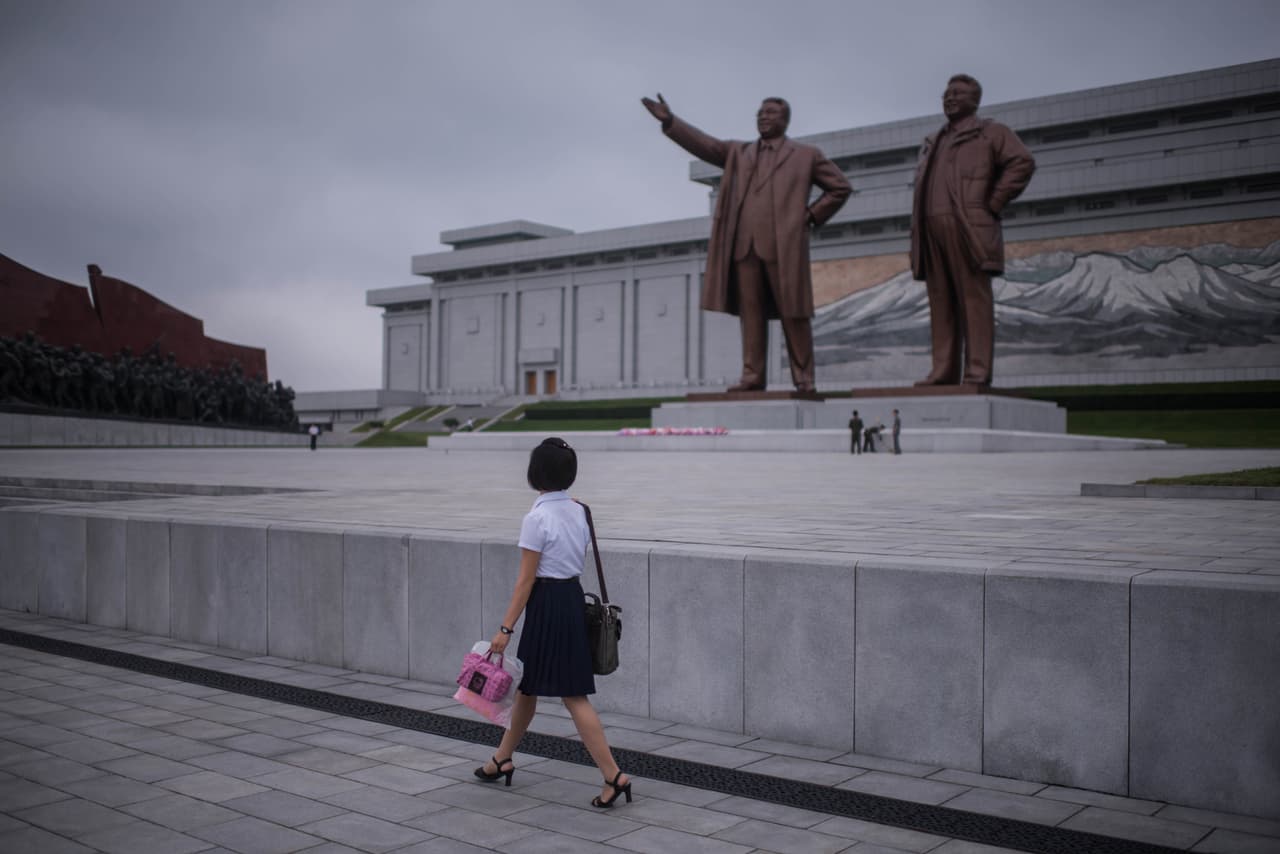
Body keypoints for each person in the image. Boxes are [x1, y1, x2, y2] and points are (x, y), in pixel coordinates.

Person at [641, 93, 851, 393]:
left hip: (784, 247)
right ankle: (752, 376)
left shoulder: (806, 155)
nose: (763, 116)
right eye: (760, 112)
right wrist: (671, 122)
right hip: (744, 248)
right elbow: (705, 144)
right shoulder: (739, 152)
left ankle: (804, 378)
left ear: (785, 119)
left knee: (795, 313)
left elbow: (840, 187)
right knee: (751, 317)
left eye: (770, 113)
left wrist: (808, 217)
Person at [477, 437, 633, 809]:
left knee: (573, 696)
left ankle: (613, 774)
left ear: (535, 474)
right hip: (571, 599)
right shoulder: (580, 511)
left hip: (547, 604)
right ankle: (502, 758)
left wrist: (504, 629)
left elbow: (525, 582)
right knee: (528, 689)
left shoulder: (537, 518)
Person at [911, 74, 1035, 387]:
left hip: (968, 227)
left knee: (973, 300)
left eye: (958, 93)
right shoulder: (933, 140)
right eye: (946, 93)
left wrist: (993, 202)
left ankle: (977, 371)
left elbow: (1022, 162)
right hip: (931, 229)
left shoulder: (991, 133)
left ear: (974, 101)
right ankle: (943, 371)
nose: (949, 97)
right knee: (941, 302)